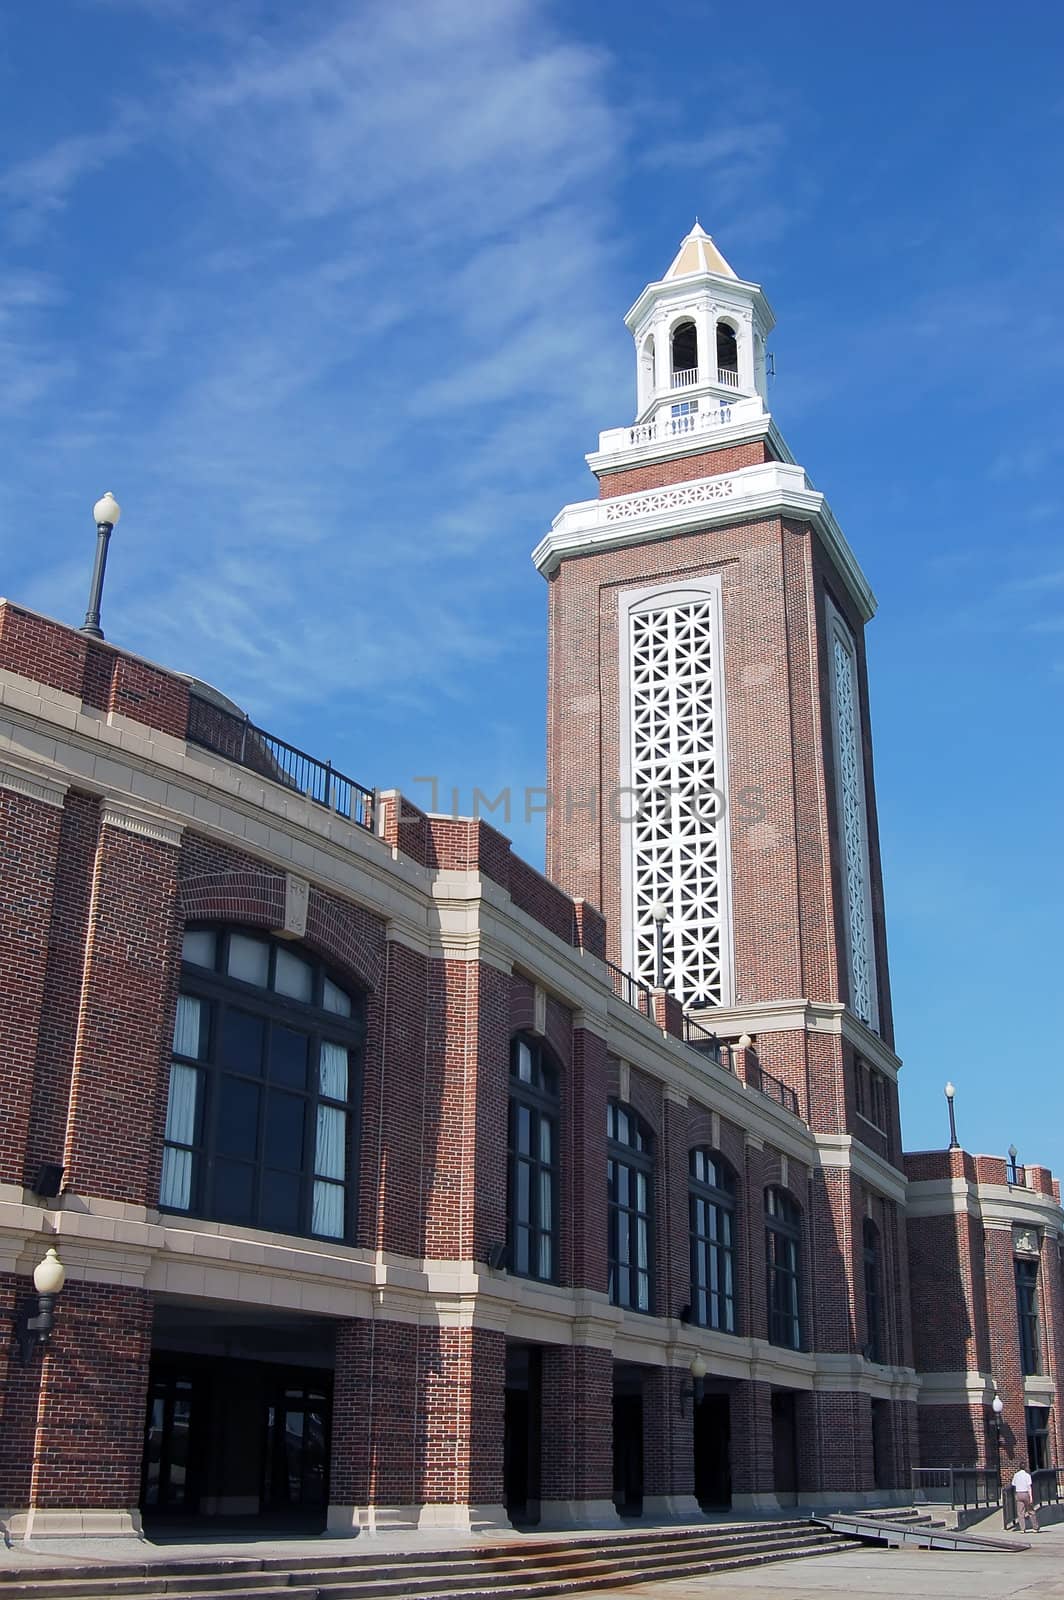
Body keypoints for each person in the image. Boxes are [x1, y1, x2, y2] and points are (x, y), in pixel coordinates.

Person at [1011, 1466, 1040, 1532]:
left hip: (1018, 1493)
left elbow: (1013, 1484)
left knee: (1020, 1512)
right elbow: (1029, 1487)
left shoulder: (1016, 1475)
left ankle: (1022, 1529)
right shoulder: (1027, 1475)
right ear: (1025, 1468)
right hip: (1025, 1493)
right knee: (1031, 1511)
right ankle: (1035, 1527)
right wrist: (1031, 1497)